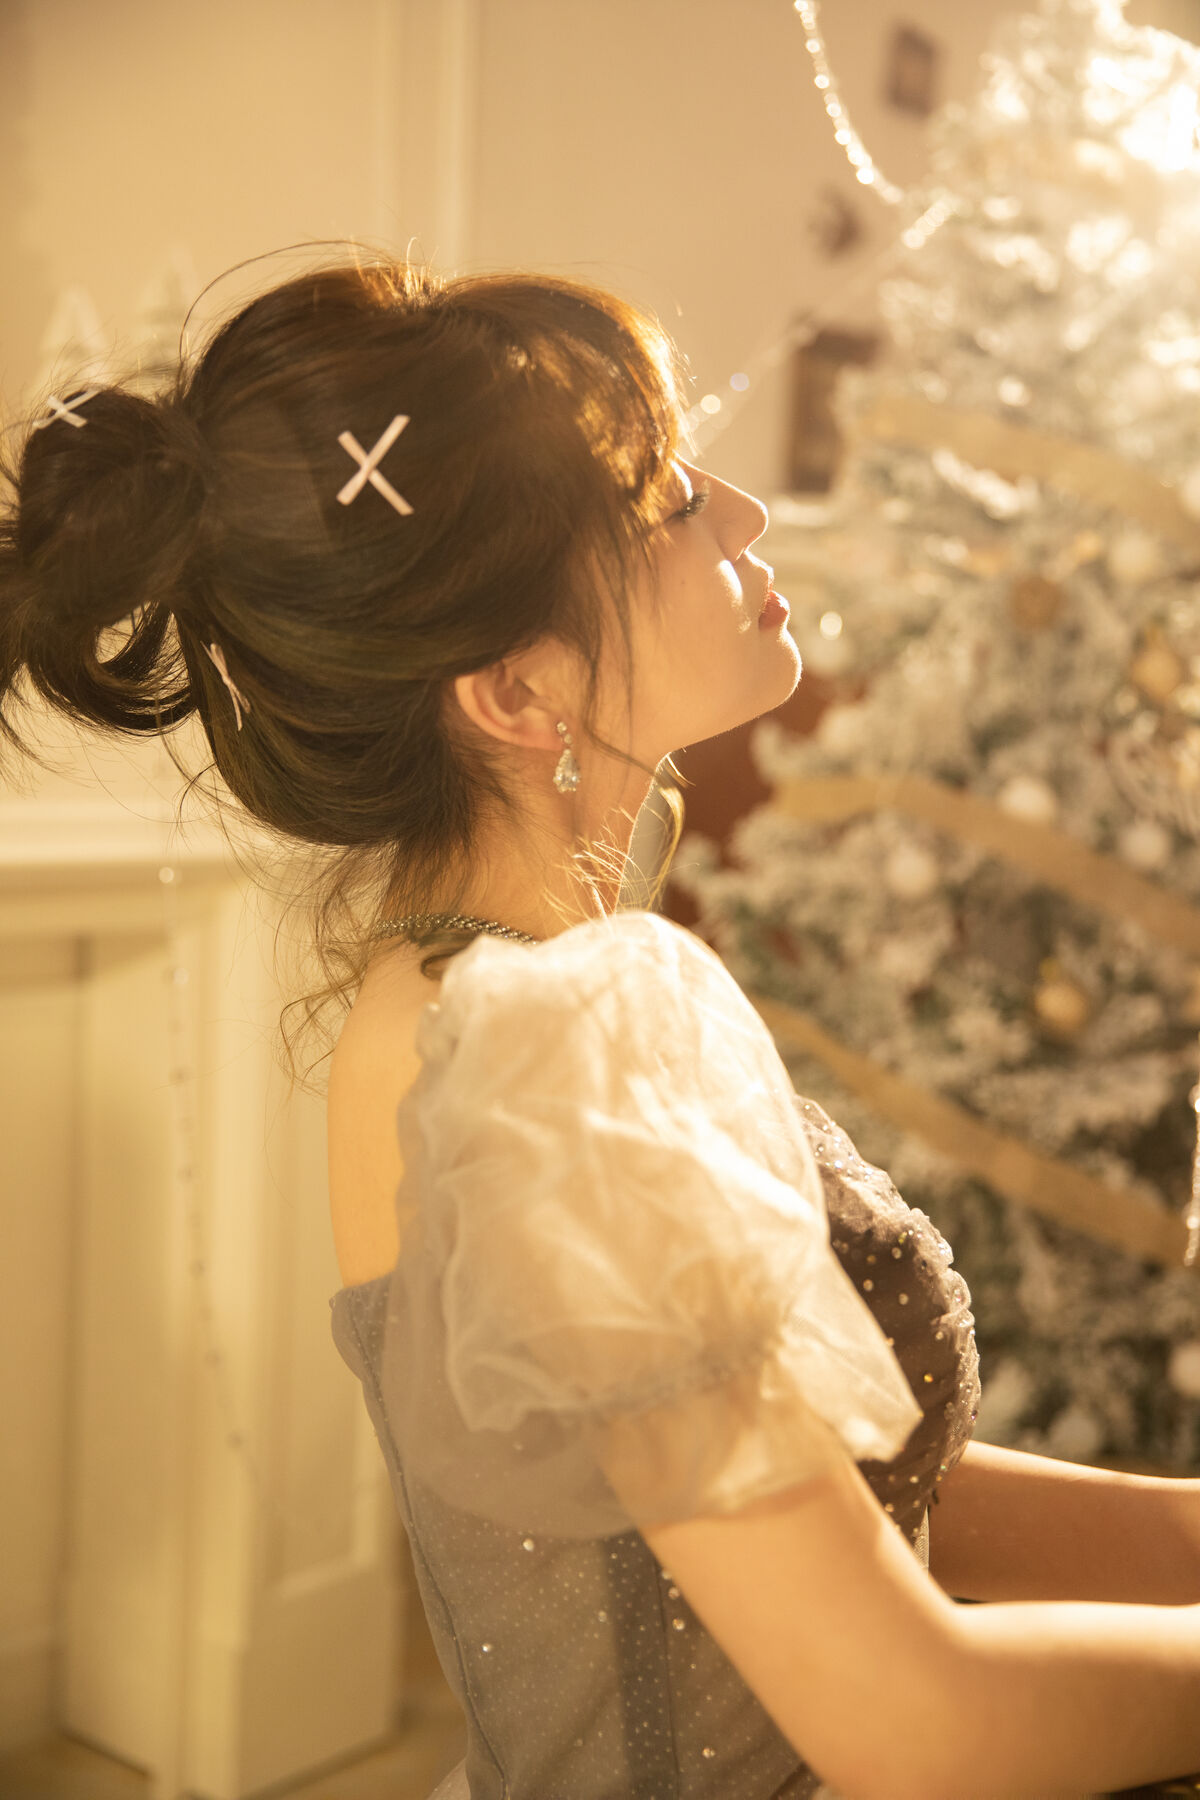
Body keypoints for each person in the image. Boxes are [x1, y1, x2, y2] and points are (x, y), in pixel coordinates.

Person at [3, 254, 1200, 1800]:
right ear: (516, 693)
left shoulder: (488, 993)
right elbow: (915, 1721)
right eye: (669, 503)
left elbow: (817, 1504)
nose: (743, 515)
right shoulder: (546, 1060)